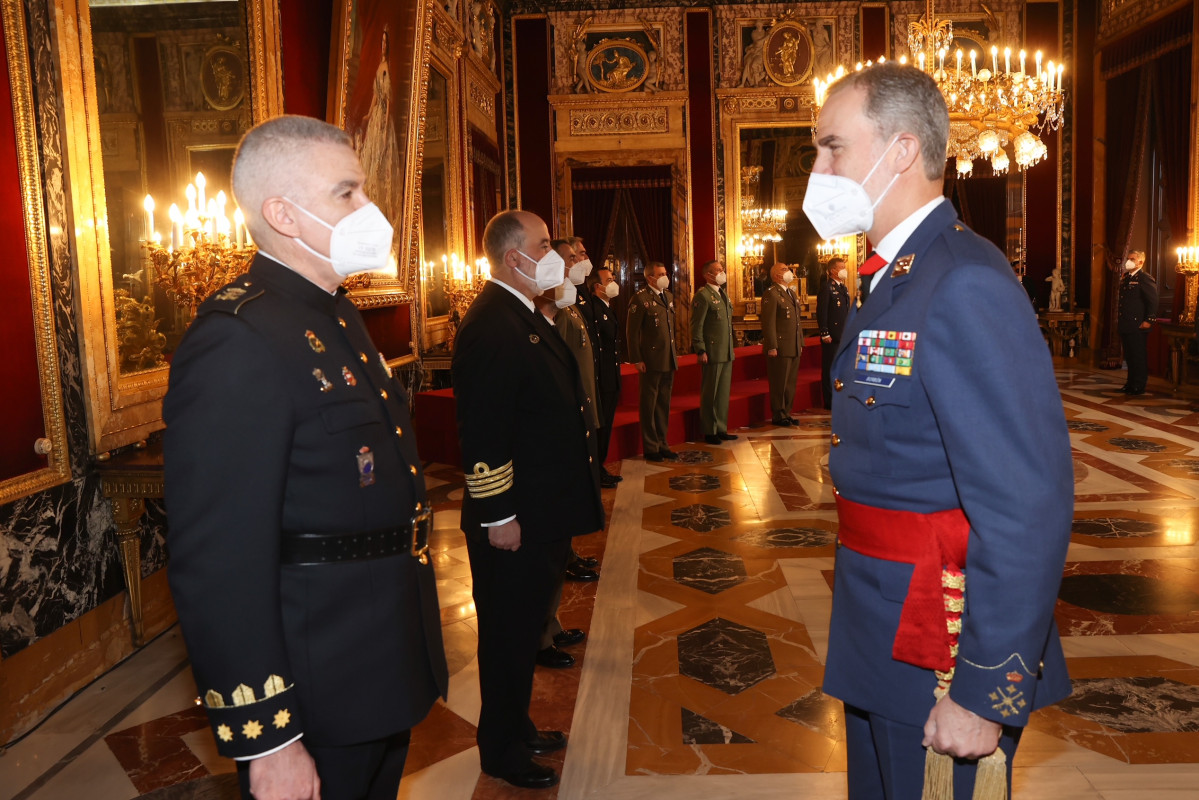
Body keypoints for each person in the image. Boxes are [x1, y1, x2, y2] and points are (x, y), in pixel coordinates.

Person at [808, 63, 1073, 799]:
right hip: (881, 627)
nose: (817, 171)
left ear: (901, 151)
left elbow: (1025, 504)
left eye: (832, 147)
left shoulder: (961, 280)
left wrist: (985, 692)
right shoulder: (896, 275)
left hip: (941, 642)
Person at [164, 115, 448, 800]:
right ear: (283, 215)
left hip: (377, 655)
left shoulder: (332, 313)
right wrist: (270, 740)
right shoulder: (239, 338)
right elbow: (219, 561)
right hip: (318, 679)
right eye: (347, 193)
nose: (368, 209)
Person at [452, 210, 604, 790]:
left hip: (540, 510)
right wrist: (499, 515)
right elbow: (484, 432)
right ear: (514, 258)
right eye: (543, 245)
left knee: (521, 632)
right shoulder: (493, 324)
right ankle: (502, 750)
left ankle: (517, 727)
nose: (554, 255)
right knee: (507, 637)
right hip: (514, 518)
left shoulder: (522, 314)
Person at [626, 261, 678, 461]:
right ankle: (651, 447)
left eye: (665, 273)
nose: (665, 277)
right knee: (649, 404)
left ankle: (662, 443)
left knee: (663, 404)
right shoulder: (640, 299)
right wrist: (636, 359)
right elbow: (632, 333)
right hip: (650, 359)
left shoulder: (668, 296)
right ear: (650, 278)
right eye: (661, 274)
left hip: (668, 357)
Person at [582, 264, 623, 487]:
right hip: (602, 377)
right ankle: (597, 469)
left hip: (611, 375)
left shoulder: (606, 307)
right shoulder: (594, 310)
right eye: (609, 280)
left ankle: (600, 467)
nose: (614, 283)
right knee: (601, 426)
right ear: (598, 286)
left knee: (606, 425)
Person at [691, 260, 738, 444]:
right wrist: (700, 349)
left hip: (726, 350)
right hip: (711, 351)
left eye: (722, 269)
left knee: (723, 393)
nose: (721, 272)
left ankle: (721, 427)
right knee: (710, 392)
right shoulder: (703, 296)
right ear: (708, 275)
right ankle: (709, 430)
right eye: (717, 270)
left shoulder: (722, 294)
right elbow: (697, 326)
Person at [761, 261, 804, 425]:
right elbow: (768, 323)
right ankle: (778, 414)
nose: (789, 271)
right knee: (779, 382)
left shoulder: (791, 293)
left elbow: (797, 322)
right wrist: (772, 346)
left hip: (793, 345)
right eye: (785, 269)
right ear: (777, 275)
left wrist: (800, 342)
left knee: (790, 383)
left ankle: (786, 412)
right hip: (780, 346)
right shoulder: (771, 294)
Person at [1118, 250, 1157, 395]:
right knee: (1129, 356)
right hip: (1126, 323)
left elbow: (1152, 301)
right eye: (1128, 258)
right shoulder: (1127, 277)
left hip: (1138, 324)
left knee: (1138, 356)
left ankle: (1139, 385)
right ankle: (1130, 383)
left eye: (1132, 259)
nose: (1128, 261)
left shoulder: (1144, 278)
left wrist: (1149, 320)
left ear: (1140, 261)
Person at [816, 257, 850, 407]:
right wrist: (824, 332)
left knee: (840, 368)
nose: (844, 270)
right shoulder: (827, 287)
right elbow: (822, 311)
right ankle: (829, 401)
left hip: (842, 335)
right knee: (830, 368)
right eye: (841, 267)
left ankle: (839, 397)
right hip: (831, 336)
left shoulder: (843, 288)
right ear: (833, 271)